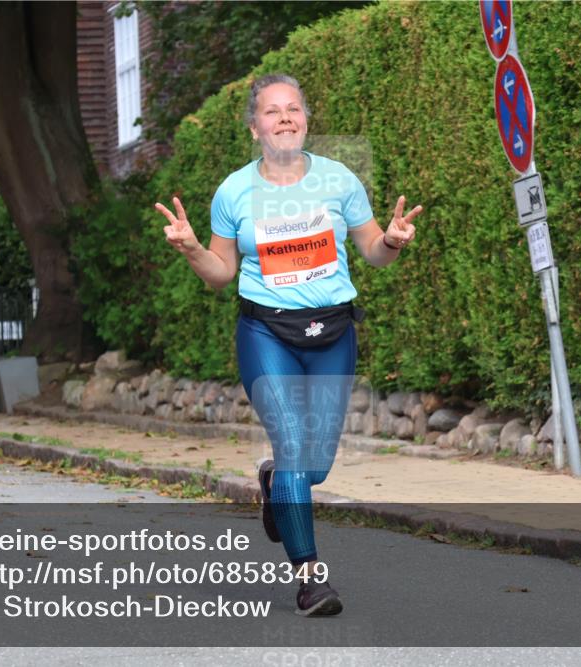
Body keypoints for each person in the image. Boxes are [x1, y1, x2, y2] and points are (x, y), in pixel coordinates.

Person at [154, 73, 422, 616]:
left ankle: (276, 480)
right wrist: (189, 249)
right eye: (272, 111)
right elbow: (222, 272)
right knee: (296, 446)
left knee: (313, 466)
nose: (284, 118)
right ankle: (311, 579)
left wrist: (391, 240)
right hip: (266, 333)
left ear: (304, 120)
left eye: (292, 109)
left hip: (332, 333)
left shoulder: (339, 179)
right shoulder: (234, 192)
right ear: (254, 127)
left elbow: (372, 249)